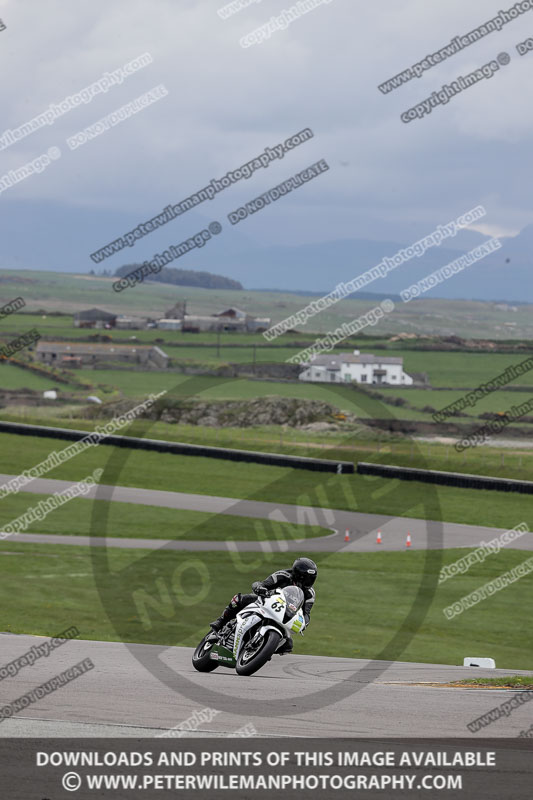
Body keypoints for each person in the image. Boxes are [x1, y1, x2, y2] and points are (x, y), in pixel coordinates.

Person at [209, 557, 317, 655]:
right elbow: (262, 584)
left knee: (288, 645)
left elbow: (306, 613)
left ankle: (263, 651)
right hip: (265, 601)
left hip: (283, 614)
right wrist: (260, 588)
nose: (309, 582)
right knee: (239, 599)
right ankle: (221, 621)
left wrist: (304, 623)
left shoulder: (310, 594)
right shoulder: (282, 575)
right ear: (298, 574)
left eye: (312, 579)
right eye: (306, 578)